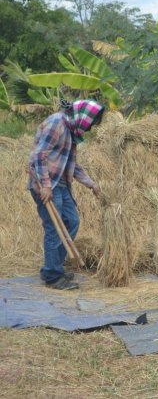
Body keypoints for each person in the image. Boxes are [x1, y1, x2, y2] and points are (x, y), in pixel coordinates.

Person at [28, 99, 105, 290]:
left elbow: (72, 166)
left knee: (72, 221)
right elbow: (39, 155)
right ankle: (53, 276)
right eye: (91, 124)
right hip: (46, 184)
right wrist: (45, 186)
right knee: (54, 229)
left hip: (61, 185)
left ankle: (54, 267)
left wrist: (91, 184)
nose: (90, 128)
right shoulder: (57, 123)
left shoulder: (72, 132)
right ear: (84, 117)